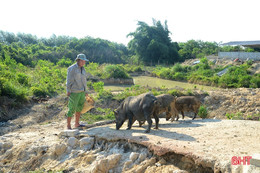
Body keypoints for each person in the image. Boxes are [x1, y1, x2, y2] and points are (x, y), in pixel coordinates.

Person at [66, 53, 89, 129]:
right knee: (72, 108)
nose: (84, 63)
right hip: (74, 92)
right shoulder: (72, 68)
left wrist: (86, 91)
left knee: (79, 107)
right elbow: (69, 80)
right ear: (78, 60)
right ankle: (68, 125)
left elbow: (84, 81)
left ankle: (77, 123)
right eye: (82, 61)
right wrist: (68, 90)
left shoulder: (83, 69)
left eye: (84, 61)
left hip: (82, 91)